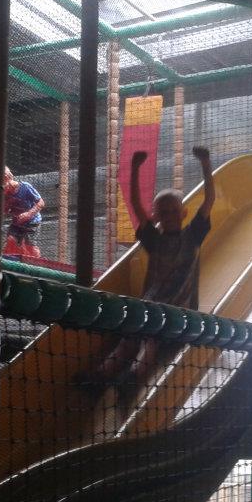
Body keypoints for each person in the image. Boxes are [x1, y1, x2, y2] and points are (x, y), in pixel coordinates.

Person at [79, 146, 217, 388]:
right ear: (156, 216)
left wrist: (205, 163)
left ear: (184, 213)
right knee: (128, 339)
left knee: (149, 341)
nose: (169, 215)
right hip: (150, 306)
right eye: (163, 212)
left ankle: (133, 377)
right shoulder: (154, 239)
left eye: (174, 211)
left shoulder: (193, 235)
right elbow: (135, 205)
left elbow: (209, 200)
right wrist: (135, 168)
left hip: (180, 313)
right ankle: (100, 375)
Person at [3, 167, 44, 257]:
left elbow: (41, 203)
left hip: (32, 221)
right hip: (17, 223)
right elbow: (5, 210)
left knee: (29, 245)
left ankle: (37, 262)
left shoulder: (25, 187)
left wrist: (28, 214)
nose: (5, 190)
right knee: (10, 240)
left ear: (8, 179)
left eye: (5, 187)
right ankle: (11, 261)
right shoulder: (6, 195)